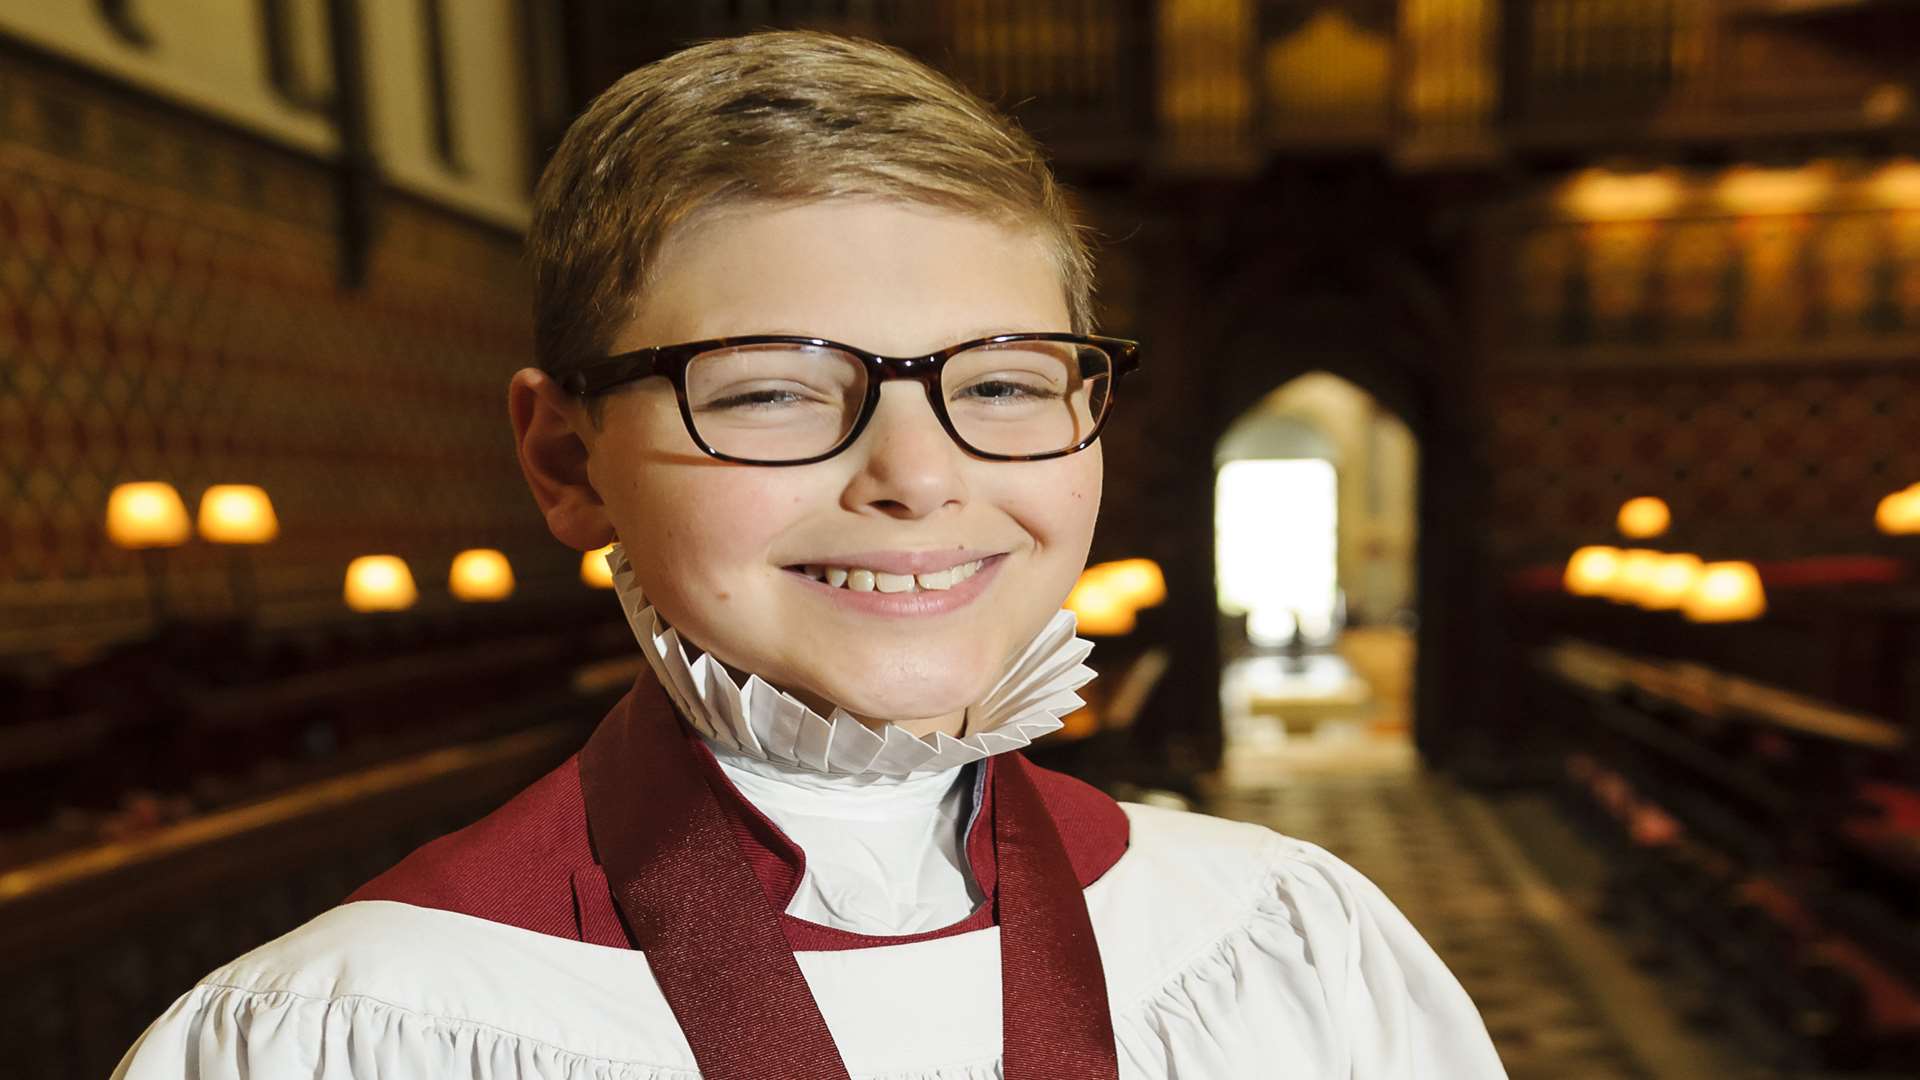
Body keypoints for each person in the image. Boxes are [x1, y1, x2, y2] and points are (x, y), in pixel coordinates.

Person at [113, 30, 1505, 1079]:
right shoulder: (341, 1031)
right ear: (562, 460)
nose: (915, 477)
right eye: (770, 388)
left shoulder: (1283, 942)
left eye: (1010, 384)